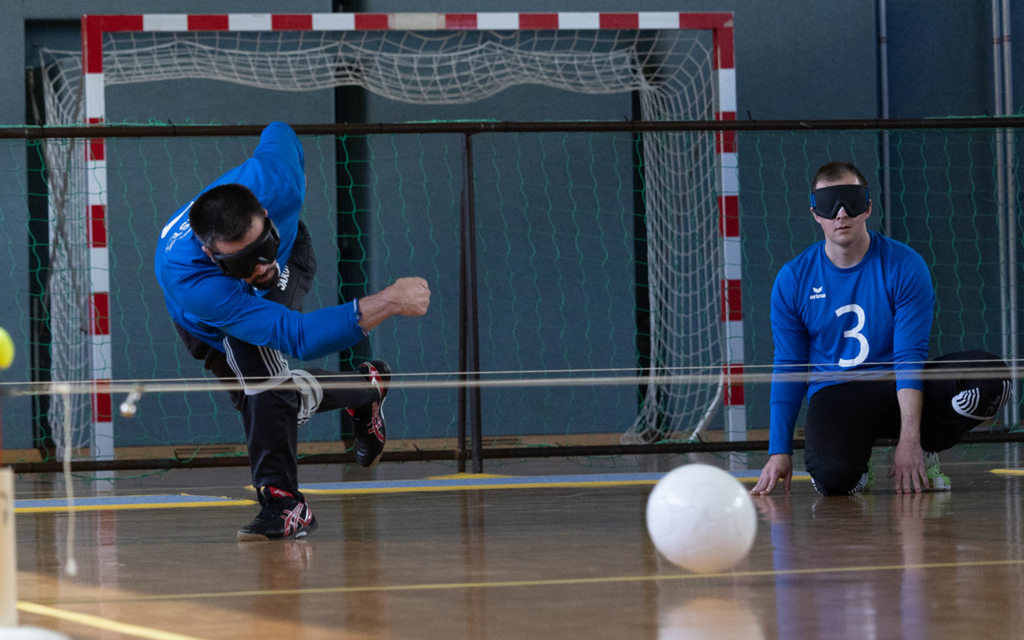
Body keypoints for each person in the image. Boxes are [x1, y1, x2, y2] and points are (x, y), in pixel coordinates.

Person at [155, 121, 431, 540]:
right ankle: (365, 388)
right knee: (270, 399)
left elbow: (278, 128)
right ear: (212, 256)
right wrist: (389, 300)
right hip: (206, 316)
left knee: (265, 392)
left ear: (265, 214)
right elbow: (297, 337)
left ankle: (286, 504)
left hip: (289, 258)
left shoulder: (277, 179)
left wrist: (272, 257)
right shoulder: (195, 280)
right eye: (242, 262)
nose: (260, 267)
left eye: (261, 248)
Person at [750, 161, 1011, 497]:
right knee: (833, 480)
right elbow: (789, 367)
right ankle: (856, 459)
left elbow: (908, 355)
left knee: (994, 381)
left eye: (851, 200)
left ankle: (924, 449)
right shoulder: (793, 280)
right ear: (816, 214)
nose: (841, 213)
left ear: (868, 207)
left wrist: (912, 440)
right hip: (836, 395)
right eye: (830, 204)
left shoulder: (904, 265)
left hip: (897, 386)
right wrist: (778, 450)